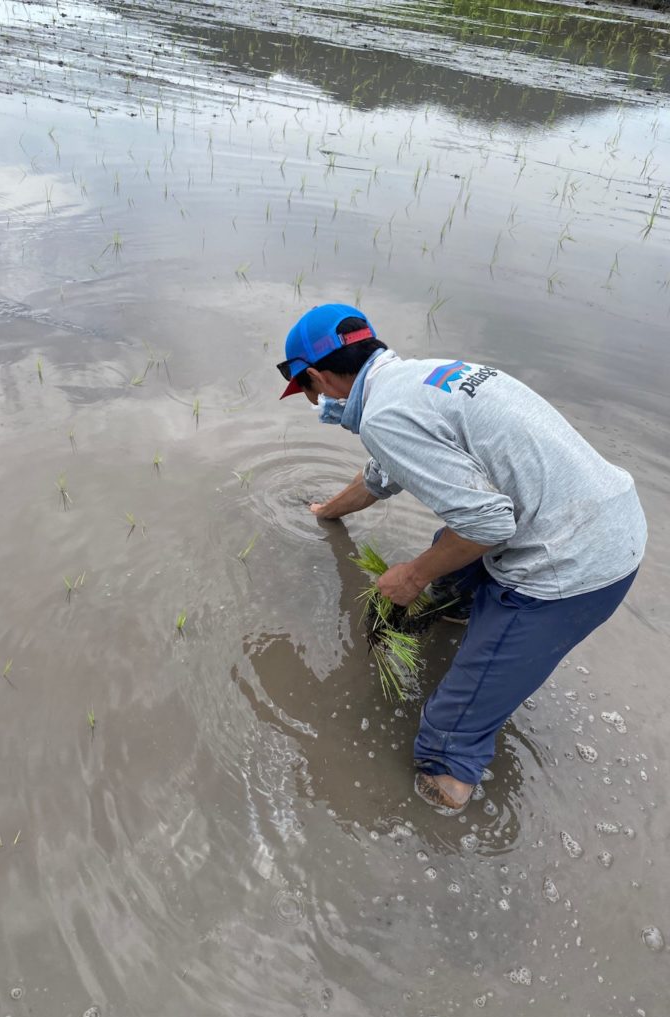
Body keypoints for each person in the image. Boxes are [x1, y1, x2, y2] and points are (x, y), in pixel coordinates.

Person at [277, 303, 647, 813]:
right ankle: (459, 610)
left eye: (309, 390)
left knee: (446, 735)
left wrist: (410, 576)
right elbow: (379, 476)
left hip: (577, 565)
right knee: (449, 551)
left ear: (318, 377)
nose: (316, 401)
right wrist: (327, 512)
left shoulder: (383, 416)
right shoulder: (417, 378)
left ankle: (443, 799)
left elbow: (488, 525)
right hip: (607, 513)